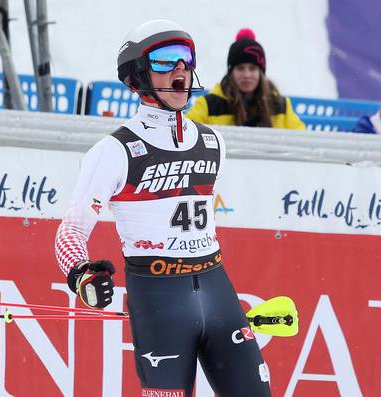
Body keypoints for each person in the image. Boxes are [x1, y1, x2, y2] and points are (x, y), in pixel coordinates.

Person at [54, 20, 271, 396]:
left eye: (185, 59)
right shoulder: (113, 151)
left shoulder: (213, 141)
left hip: (217, 289)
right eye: (166, 60)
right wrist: (81, 274)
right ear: (137, 76)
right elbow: (71, 230)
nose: (180, 69)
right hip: (158, 296)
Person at [187, 28, 305, 130]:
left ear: (261, 73)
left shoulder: (280, 105)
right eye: (240, 68)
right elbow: (186, 131)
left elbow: (301, 139)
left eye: (252, 68)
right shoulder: (209, 105)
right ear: (231, 72)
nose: (247, 74)